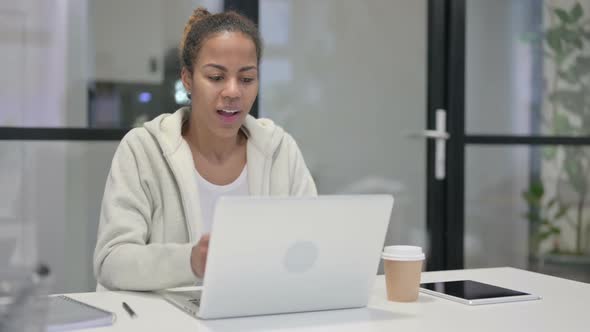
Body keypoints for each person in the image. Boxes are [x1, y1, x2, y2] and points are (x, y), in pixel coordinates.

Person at [93, 7, 317, 291]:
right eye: (216, 77)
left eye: (247, 79)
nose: (233, 92)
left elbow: (312, 246)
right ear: (187, 79)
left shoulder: (279, 150)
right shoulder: (143, 150)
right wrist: (191, 261)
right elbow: (111, 261)